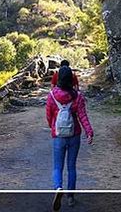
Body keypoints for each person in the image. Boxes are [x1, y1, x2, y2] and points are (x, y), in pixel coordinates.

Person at [46, 65, 93, 210]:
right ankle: (71, 197)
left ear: (59, 78)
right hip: (74, 135)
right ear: (72, 79)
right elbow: (82, 115)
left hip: (58, 135)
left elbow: (48, 116)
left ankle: (58, 187)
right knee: (71, 167)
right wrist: (89, 132)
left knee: (57, 166)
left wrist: (53, 126)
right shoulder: (77, 96)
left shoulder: (52, 95)